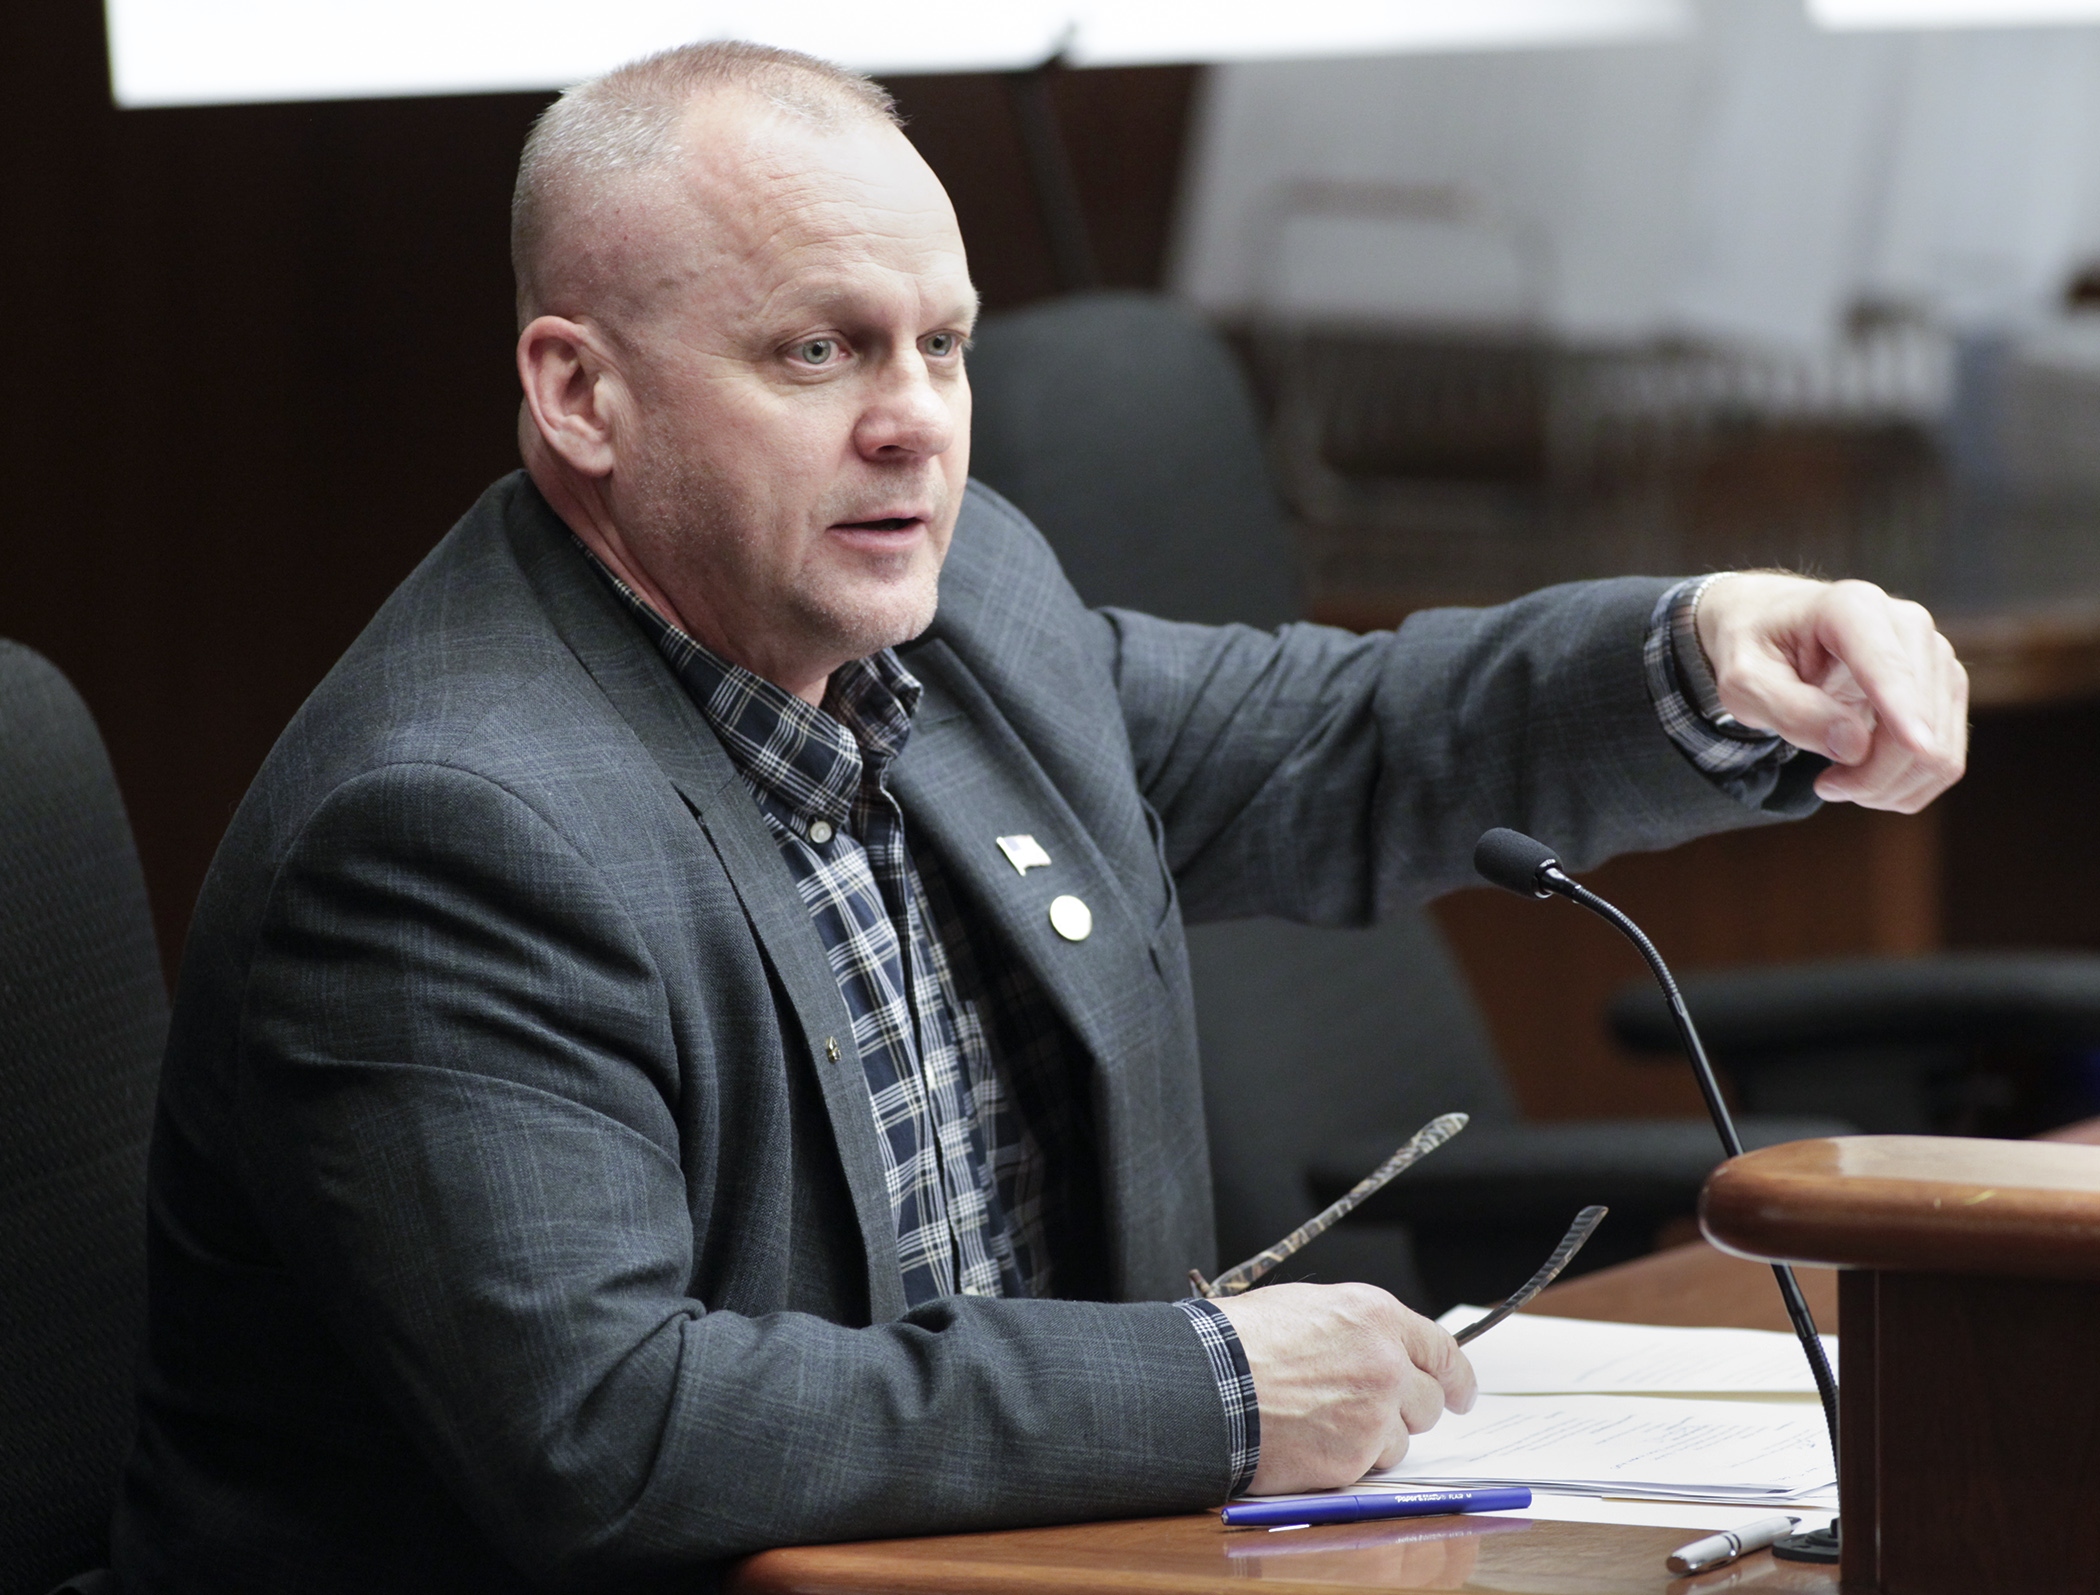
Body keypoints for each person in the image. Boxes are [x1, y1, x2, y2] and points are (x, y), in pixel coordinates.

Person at [115, 39, 1967, 1593]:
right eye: (818, 353)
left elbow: (1325, 743)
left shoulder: (957, 600)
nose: (917, 422)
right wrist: (1212, 1391)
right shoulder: (453, 827)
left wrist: (1702, 655)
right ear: (578, 393)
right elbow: (614, 1432)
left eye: (945, 344)